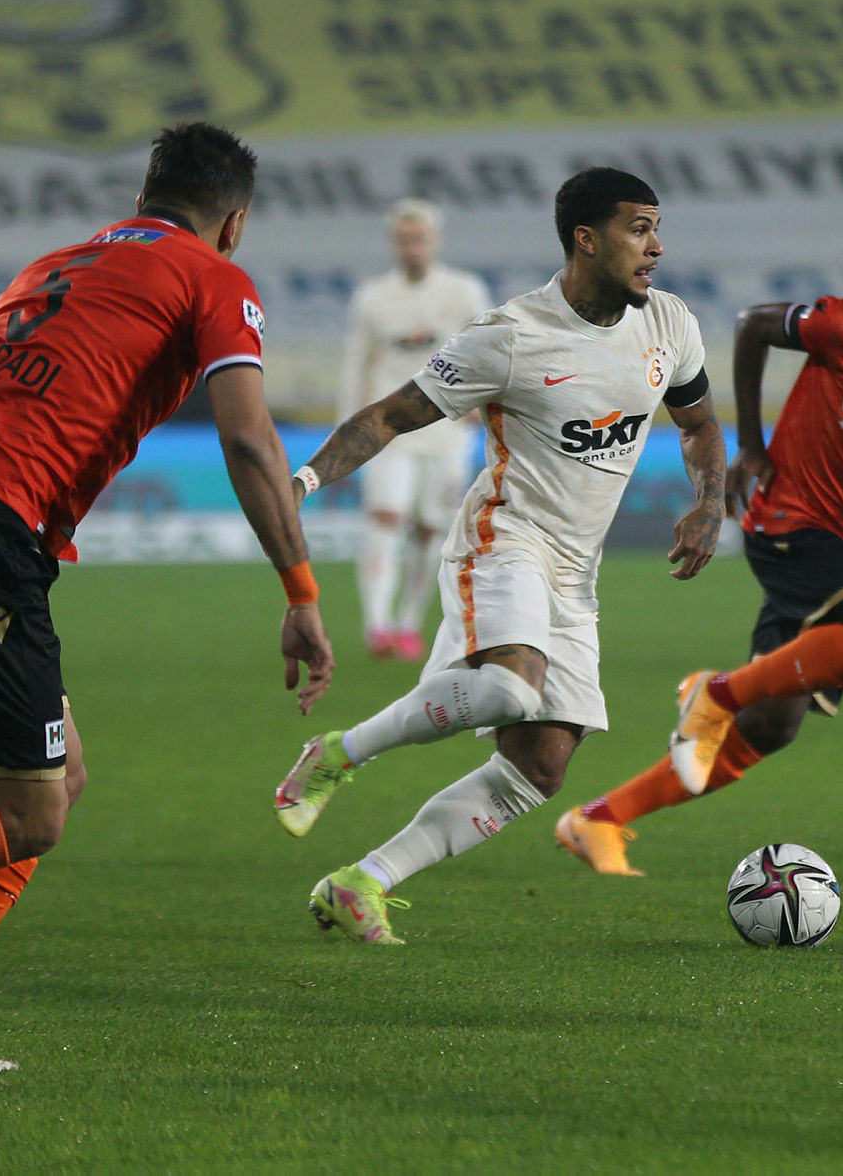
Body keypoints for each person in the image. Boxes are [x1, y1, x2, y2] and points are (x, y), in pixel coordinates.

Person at [0, 122, 334, 1071]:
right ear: (234, 224)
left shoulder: (55, 262)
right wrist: (300, 589)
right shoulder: (213, 279)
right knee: (32, 811)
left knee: (49, 777)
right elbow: (248, 441)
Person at [272, 167, 725, 943]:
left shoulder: (670, 325)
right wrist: (306, 478)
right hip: (503, 538)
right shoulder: (512, 336)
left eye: (657, 228)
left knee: (539, 768)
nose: (657, 246)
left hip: (575, 575)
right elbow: (391, 413)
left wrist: (710, 499)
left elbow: (699, 424)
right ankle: (339, 754)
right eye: (639, 229)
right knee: (514, 692)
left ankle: (363, 881)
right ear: (587, 240)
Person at [554, 201, 843, 876]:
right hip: (788, 518)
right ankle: (713, 694)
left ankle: (599, 818)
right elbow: (753, 325)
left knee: (773, 725)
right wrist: (751, 443)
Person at [339, 200, 492, 661]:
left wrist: (480, 404)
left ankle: (408, 624)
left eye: (419, 239)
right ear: (394, 243)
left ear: (435, 241)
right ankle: (376, 625)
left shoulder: (465, 291)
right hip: (390, 426)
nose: (412, 248)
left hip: (446, 427)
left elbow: (486, 349)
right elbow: (356, 363)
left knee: (432, 527)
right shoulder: (373, 296)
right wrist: (348, 431)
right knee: (386, 517)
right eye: (404, 240)